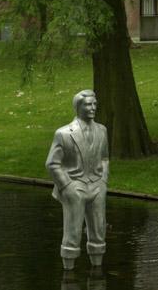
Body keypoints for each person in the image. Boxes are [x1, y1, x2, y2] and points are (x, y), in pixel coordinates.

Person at [46, 89, 109, 270]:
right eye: (88, 104)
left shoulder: (102, 130)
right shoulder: (63, 133)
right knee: (72, 232)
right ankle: (68, 274)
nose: (93, 108)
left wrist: (103, 181)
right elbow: (52, 163)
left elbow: (104, 158)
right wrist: (67, 186)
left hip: (97, 185)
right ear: (78, 107)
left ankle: (97, 271)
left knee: (99, 231)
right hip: (75, 187)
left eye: (94, 104)